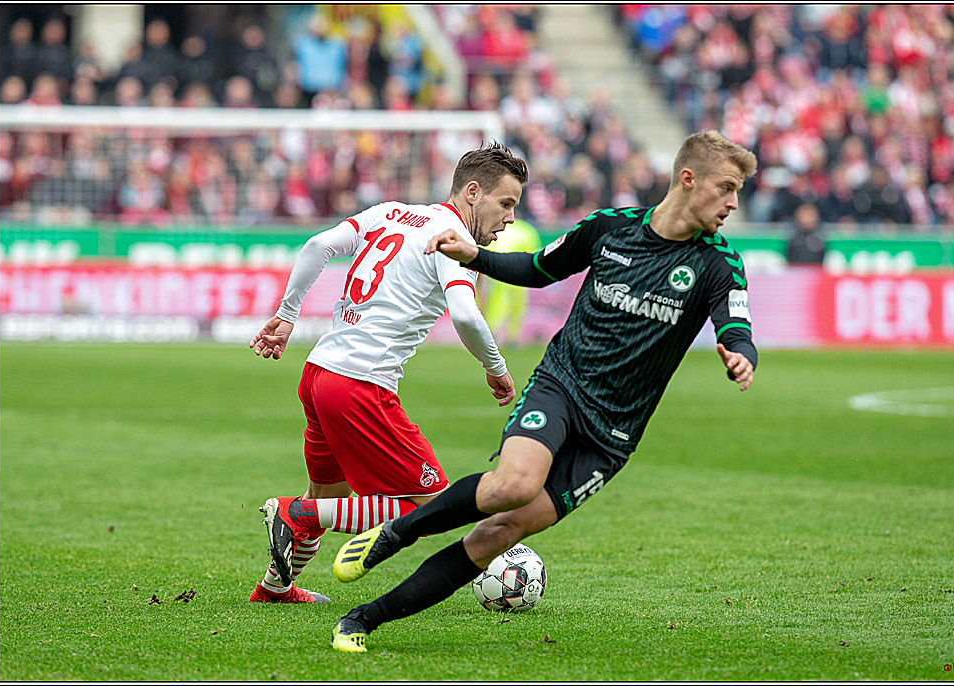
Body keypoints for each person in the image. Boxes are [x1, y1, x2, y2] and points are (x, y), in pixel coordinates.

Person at [329, 130, 760, 651]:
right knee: (511, 485)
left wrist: (741, 354)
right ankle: (393, 536)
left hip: (612, 436)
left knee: (497, 534)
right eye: (728, 187)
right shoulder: (610, 229)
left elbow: (735, 324)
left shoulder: (718, 262)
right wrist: (473, 256)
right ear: (689, 180)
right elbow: (538, 269)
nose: (734, 203)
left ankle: (361, 620)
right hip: (561, 385)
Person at [246, 142, 528, 603]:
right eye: (506, 203)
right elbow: (466, 314)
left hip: (319, 374)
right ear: (473, 192)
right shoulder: (454, 237)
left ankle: (277, 585)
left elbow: (318, 245)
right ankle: (292, 513)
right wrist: (495, 367)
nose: (510, 218)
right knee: (432, 504)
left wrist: (287, 313)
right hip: (361, 384)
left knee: (327, 494)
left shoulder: (392, 212)